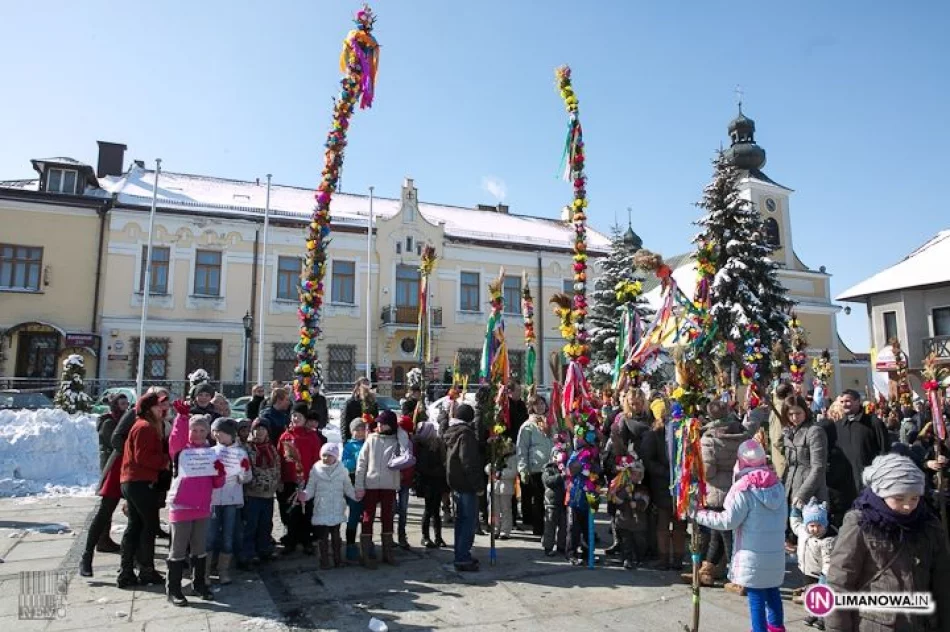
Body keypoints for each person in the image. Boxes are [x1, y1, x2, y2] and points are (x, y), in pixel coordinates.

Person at [827, 453, 950, 632]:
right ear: (881, 492)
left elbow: (943, 583)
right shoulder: (860, 523)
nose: (908, 506)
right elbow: (839, 583)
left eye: (914, 498)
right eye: (899, 498)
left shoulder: (928, 524)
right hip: (876, 624)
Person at [693, 440, 787, 632]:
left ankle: (759, 629)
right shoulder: (777, 485)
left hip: (751, 554)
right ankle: (776, 628)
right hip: (774, 553)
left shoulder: (743, 489)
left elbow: (727, 521)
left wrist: (699, 514)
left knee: (756, 596)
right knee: (771, 591)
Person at [165, 411, 225, 605]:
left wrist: (220, 473)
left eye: (202, 430)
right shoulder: (181, 450)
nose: (198, 434)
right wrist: (182, 419)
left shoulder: (210, 452)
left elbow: (217, 483)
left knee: (199, 548)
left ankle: (199, 584)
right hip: (181, 505)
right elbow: (175, 439)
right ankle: (173, 589)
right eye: (194, 430)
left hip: (202, 506)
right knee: (178, 548)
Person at [693, 399, 748, 589]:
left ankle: (737, 576)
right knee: (719, 534)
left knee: (726, 536)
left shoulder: (709, 439)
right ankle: (708, 568)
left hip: (717, 492)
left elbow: (708, 470)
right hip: (738, 487)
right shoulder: (741, 434)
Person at [117, 392, 170, 588]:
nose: (161, 410)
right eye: (158, 407)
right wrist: (164, 462)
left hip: (133, 481)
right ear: (149, 409)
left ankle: (127, 571)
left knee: (135, 526)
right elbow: (143, 457)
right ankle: (145, 570)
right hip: (140, 481)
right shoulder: (145, 427)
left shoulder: (143, 426)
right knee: (147, 526)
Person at [355, 410, 404, 568]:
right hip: (371, 483)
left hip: (389, 484)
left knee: (388, 516)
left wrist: (400, 430)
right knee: (368, 517)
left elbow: (406, 450)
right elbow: (361, 464)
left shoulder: (397, 439)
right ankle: (366, 554)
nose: (379, 425)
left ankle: (388, 553)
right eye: (378, 423)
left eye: (383, 423)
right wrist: (359, 485)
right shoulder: (371, 439)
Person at [206, 418, 252, 585]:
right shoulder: (210, 451)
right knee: (210, 535)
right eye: (216, 431)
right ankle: (205, 570)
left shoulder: (240, 452)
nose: (218, 435)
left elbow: (245, 479)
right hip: (213, 499)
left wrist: (245, 470)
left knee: (228, 535)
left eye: (222, 432)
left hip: (232, 499)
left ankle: (223, 569)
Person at [298, 443, 356, 570]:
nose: (326, 458)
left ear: (335, 457)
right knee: (322, 536)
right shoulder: (316, 470)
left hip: (337, 508)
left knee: (336, 535)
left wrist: (356, 495)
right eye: (324, 455)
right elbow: (311, 488)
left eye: (329, 455)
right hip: (322, 508)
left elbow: (348, 487)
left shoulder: (342, 470)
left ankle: (338, 559)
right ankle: (324, 561)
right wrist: (305, 495)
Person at [834, 389, 891, 512]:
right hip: (846, 486)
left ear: (858, 401)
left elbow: (885, 451)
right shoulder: (838, 426)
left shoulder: (873, 422)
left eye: (848, 401)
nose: (844, 404)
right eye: (842, 401)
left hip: (869, 482)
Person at [276, 403, 320, 555]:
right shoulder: (285, 436)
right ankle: (291, 540)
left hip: (307, 480)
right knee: (290, 512)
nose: (295, 418)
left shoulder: (311, 436)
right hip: (289, 480)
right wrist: (280, 479)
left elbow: (316, 458)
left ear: (305, 419)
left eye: (299, 416)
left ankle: (306, 540)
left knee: (306, 511)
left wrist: (313, 478)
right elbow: (279, 459)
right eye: (294, 415)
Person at [443, 403, 482, 572]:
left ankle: (461, 553)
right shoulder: (466, 435)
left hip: (456, 482)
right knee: (467, 521)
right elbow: (468, 462)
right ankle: (462, 557)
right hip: (466, 484)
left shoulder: (452, 432)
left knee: (461, 520)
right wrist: (478, 485)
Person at [789, 499, 836, 630]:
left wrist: (824, 574)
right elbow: (795, 524)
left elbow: (829, 559)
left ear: (825, 525)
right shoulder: (804, 532)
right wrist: (794, 511)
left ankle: (823, 618)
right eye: (812, 525)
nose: (815, 529)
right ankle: (813, 613)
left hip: (821, 573)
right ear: (807, 525)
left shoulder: (827, 541)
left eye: (819, 526)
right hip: (807, 570)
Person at [241, 419, 281, 567]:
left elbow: (277, 466)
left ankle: (264, 549)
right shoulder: (247, 449)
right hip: (253, 493)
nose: (260, 432)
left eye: (263, 429)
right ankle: (248, 553)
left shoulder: (271, 448)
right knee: (251, 525)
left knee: (265, 524)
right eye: (257, 429)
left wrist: (277, 482)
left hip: (268, 494)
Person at [782, 395, 829, 509]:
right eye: (790, 414)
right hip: (790, 490)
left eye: (798, 413)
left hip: (811, 495)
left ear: (805, 412)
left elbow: (818, 467)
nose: (794, 417)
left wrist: (803, 494)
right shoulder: (789, 433)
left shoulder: (814, 432)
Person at [517, 412, 553, 537]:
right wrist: (523, 468)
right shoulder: (527, 426)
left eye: (542, 404)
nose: (540, 407)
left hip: (550, 467)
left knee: (550, 500)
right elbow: (522, 447)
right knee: (538, 500)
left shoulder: (549, 422)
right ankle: (538, 528)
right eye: (537, 405)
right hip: (536, 468)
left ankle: (550, 529)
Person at [414, 420, 448, 548]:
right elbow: (422, 467)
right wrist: (439, 471)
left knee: (436, 510)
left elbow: (443, 459)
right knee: (429, 510)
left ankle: (438, 537)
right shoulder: (420, 445)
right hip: (427, 481)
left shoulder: (438, 443)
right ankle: (425, 537)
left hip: (437, 481)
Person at [342, 419, 367, 562]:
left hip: (368, 483)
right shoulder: (349, 446)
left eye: (362, 429)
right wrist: (359, 458)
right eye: (356, 430)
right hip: (353, 483)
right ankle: (350, 544)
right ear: (352, 432)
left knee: (366, 516)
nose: (359, 433)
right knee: (353, 515)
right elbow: (345, 463)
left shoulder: (369, 443)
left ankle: (366, 543)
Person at [489, 442, 518, 539]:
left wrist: (501, 474)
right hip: (495, 486)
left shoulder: (513, 458)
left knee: (506, 510)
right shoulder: (497, 458)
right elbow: (488, 467)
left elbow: (514, 472)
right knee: (495, 509)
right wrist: (490, 469)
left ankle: (505, 531)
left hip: (506, 487)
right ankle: (495, 529)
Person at [541, 448, 567, 557]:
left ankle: (561, 546)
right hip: (551, 502)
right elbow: (548, 481)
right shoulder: (548, 469)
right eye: (556, 455)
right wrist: (560, 476)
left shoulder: (565, 467)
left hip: (563, 503)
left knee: (564, 526)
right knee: (550, 527)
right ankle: (548, 547)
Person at [342, 377, 371, 443]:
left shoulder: (372, 403)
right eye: (364, 385)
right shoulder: (350, 403)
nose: (366, 388)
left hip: (369, 441)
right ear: (358, 387)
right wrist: (345, 442)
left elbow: (375, 421)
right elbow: (345, 425)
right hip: (354, 440)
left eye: (368, 386)